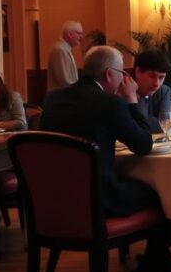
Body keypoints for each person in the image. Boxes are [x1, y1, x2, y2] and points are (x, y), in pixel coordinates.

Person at [40, 46, 156, 217]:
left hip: (54, 197)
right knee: (160, 194)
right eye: (122, 73)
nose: (124, 78)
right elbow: (144, 145)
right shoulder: (110, 103)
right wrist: (132, 99)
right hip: (99, 200)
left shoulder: (53, 98)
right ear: (109, 74)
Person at [133, 49, 171, 134]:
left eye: (161, 77)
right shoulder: (124, 91)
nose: (156, 83)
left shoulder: (164, 91)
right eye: (152, 76)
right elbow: (132, 128)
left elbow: (165, 125)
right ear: (137, 72)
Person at [47, 20, 83, 94]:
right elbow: (64, 81)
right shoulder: (59, 50)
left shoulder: (65, 49)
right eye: (79, 33)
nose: (81, 37)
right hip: (60, 99)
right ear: (70, 34)